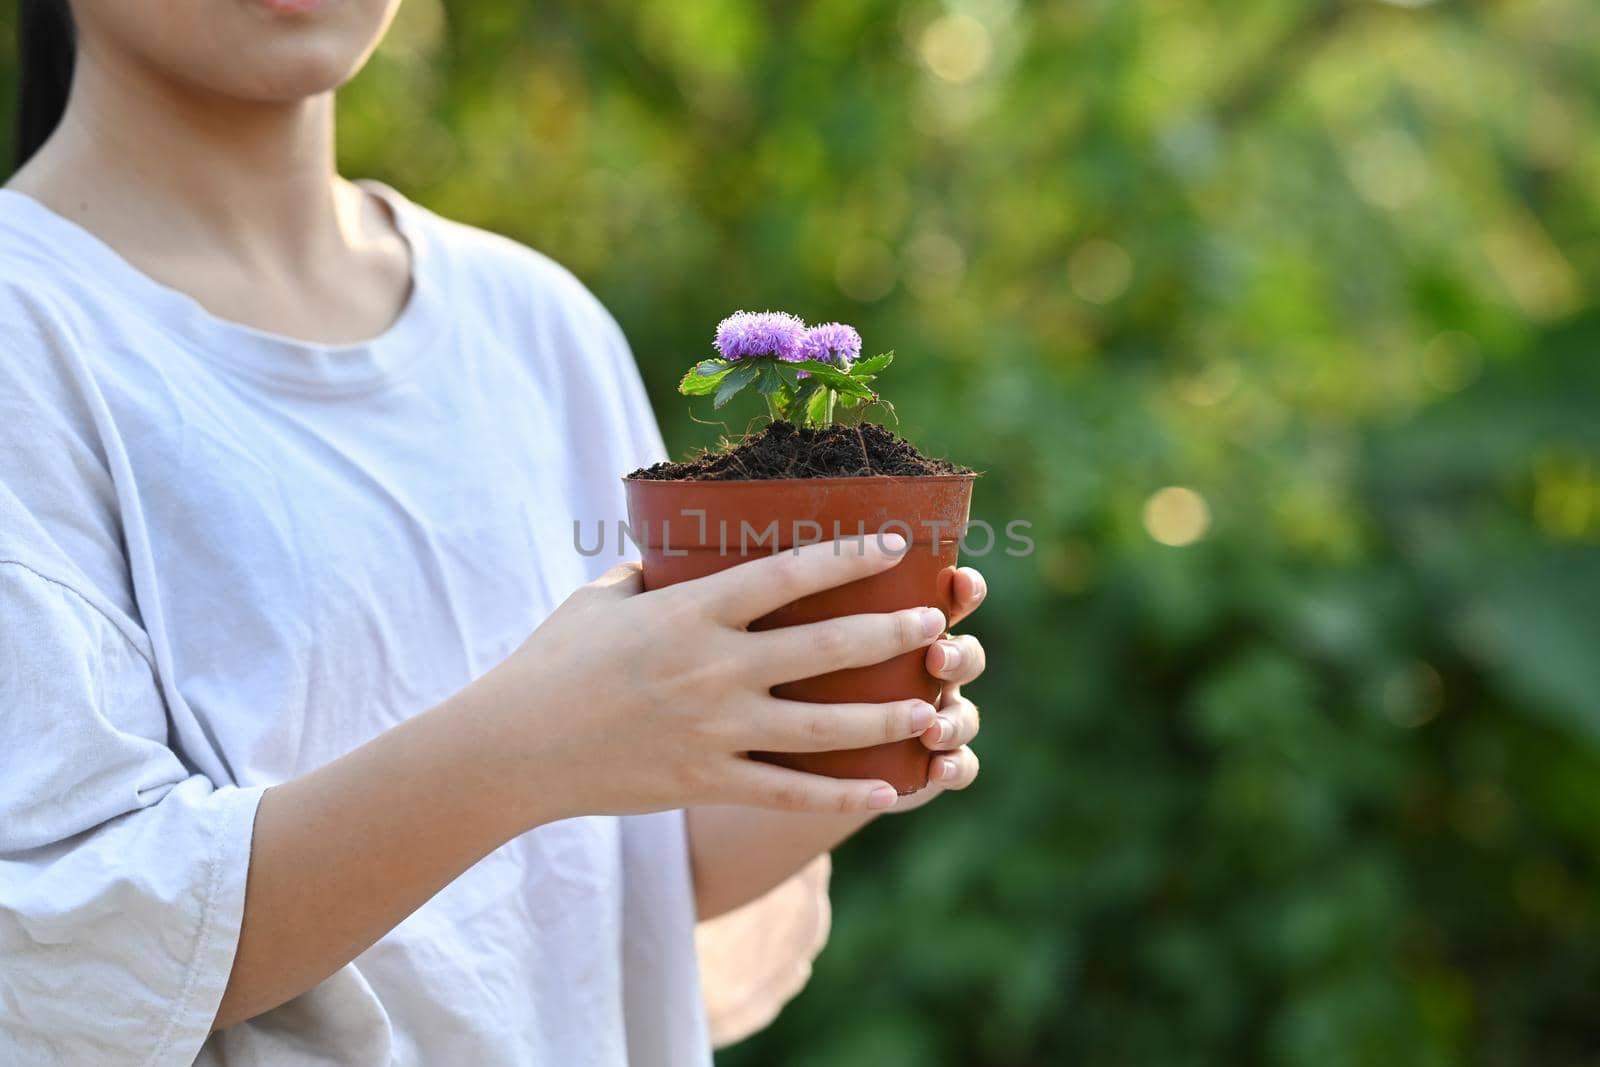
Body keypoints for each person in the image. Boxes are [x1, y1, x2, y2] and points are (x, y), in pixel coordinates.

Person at [0, 1, 986, 1063]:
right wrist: (525, 747)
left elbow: (626, 888)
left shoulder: (537, 322)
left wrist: (856, 719)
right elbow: (66, 954)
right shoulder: (31, 334)